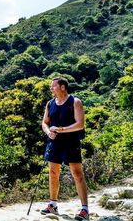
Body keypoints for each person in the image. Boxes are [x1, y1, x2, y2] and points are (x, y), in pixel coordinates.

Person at [40, 77, 89, 221]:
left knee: (77, 173)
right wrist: (49, 132)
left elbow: (80, 124)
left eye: (53, 86)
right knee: (53, 172)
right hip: (54, 143)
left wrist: (60, 129)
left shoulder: (75, 102)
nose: (51, 89)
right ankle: (53, 204)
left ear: (62, 87)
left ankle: (85, 210)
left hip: (71, 141)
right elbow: (44, 122)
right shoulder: (50, 104)